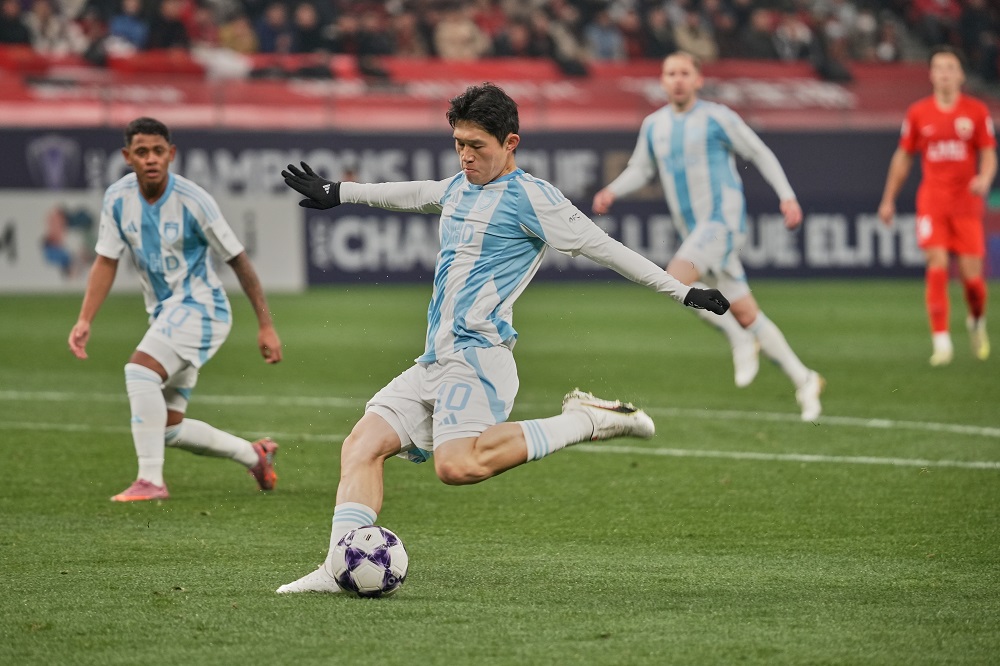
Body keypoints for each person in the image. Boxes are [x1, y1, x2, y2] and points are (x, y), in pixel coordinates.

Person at [275, 82, 730, 593]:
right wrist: (339, 192)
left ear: (510, 143)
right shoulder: (459, 186)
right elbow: (416, 192)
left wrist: (682, 291)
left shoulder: (534, 198)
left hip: (479, 359)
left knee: (456, 467)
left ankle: (587, 420)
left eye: (477, 146)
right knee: (361, 445)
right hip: (435, 359)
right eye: (459, 144)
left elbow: (606, 248)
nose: (465, 156)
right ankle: (337, 568)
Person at [592, 51, 823, 422]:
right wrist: (613, 190)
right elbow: (641, 169)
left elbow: (759, 152)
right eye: (671, 73)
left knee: (676, 278)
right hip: (696, 231)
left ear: (698, 80)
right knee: (745, 312)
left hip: (723, 222)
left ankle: (739, 339)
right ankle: (804, 378)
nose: (678, 79)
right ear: (662, 80)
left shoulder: (718, 117)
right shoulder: (654, 125)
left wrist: (787, 196)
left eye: (685, 73)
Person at [68, 117, 283, 502]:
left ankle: (150, 481)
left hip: (202, 309)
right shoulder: (118, 199)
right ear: (127, 157)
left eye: (158, 151)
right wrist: (85, 318)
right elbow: (106, 260)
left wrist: (265, 326)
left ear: (171, 154)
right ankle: (255, 456)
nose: (151, 159)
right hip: (166, 315)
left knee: (139, 371)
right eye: (142, 152)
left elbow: (238, 260)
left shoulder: (194, 200)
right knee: (166, 427)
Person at [878, 45, 997, 365]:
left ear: (961, 75)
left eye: (950, 68)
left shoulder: (976, 111)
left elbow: (988, 153)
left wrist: (984, 178)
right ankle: (941, 341)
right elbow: (903, 157)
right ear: (930, 75)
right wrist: (888, 199)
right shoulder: (918, 113)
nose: (944, 73)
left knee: (973, 282)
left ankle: (976, 321)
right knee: (937, 264)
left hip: (967, 205)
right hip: (932, 202)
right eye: (939, 68)